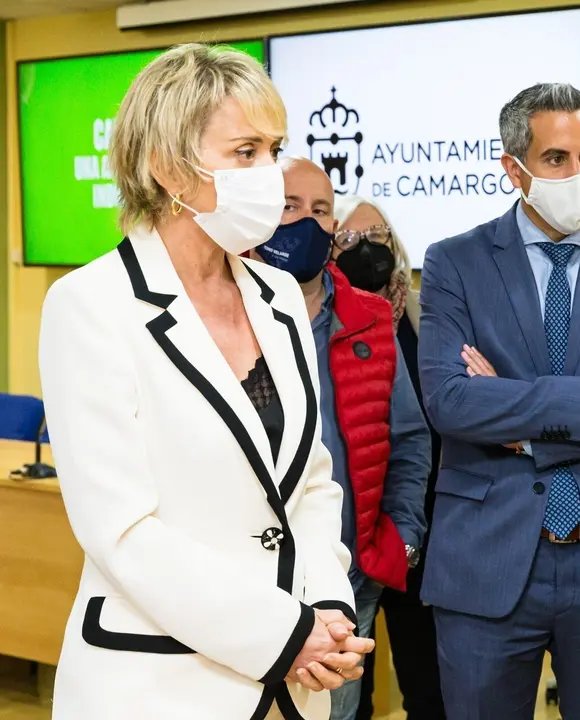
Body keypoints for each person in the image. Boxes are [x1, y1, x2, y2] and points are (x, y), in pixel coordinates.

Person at [37, 44, 373, 720]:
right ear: (167, 168)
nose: (270, 174)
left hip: (294, 688)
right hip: (158, 688)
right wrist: (285, 635)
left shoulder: (278, 296)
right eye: (245, 152)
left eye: (273, 150)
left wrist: (328, 607)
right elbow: (123, 530)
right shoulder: (90, 305)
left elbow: (309, 480)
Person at [418, 82, 580, 718]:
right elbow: (450, 402)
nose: (579, 174)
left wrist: (523, 427)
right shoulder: (455, 262)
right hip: (486, 558)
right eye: (557, 160)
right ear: (515, 169)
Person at [251, 158, 431, 720]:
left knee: (337, 713)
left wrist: (401, 538)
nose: (306, 221)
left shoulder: (372, 317)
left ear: (333, 229)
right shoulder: (224, 311)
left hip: (350, 572)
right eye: (290, 207)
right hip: (250, 575)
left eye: (320, 210)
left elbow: (409, 439)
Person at [334, 195, 447, 720]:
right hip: (349, 531)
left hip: (416, 524)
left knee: (425, 677)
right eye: (351, 240)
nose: (367, 250)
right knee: (350, 689)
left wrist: (410, 533)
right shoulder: (318, 318)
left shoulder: (429, 316)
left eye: (377, 237)